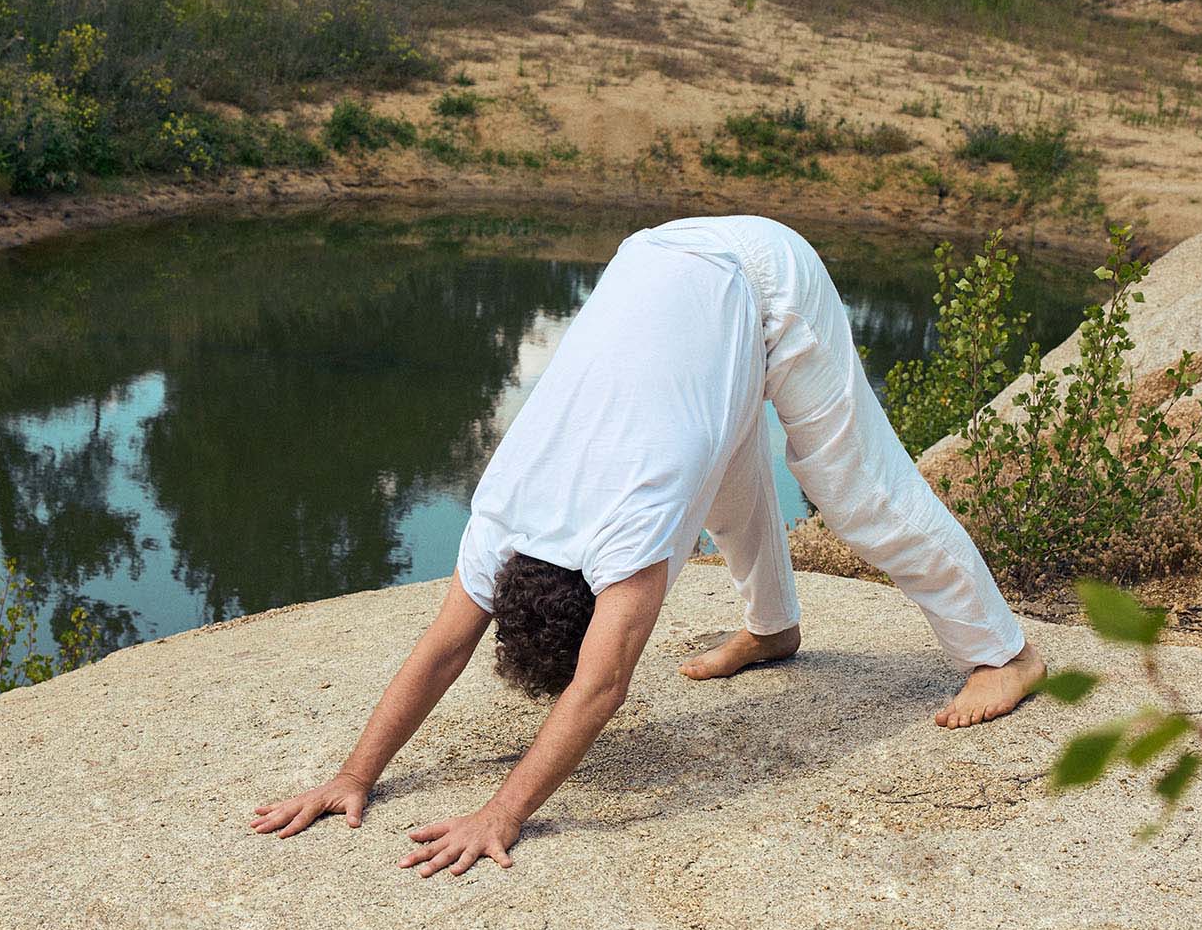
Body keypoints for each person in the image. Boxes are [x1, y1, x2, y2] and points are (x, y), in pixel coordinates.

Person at [251, 215, 1043, 878]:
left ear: (599, 597)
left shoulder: (627, 536)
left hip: (763, 278)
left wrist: (502, 811)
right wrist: (354, 775)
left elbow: (600, 687)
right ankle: (773, 627)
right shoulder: (500, 514)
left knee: (857, 494)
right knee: (719, 472)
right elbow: (441, 649)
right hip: (667, 268)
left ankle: (1003, 652)